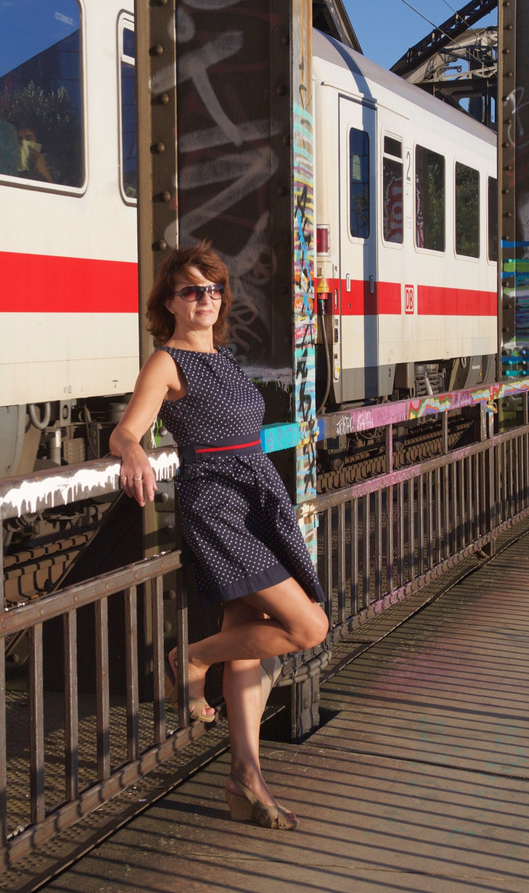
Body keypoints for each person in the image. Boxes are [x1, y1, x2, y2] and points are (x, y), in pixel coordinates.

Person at [109, 242, 328, 831]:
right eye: (191, 290)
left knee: (249, 643)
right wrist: (132, 449)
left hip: (257, 498)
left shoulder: (227, 358)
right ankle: (191, 658)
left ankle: (245, 776)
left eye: (212, 289)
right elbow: (128, 428)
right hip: (220, 508)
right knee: (308, 626)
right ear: (170, 303)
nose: (204, 299)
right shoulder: (166, 362)